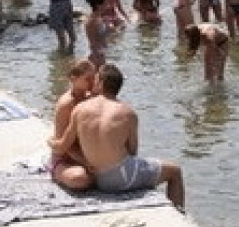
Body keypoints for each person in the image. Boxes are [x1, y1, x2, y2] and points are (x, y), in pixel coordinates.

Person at [52, 63, 185, 210]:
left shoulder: (79, 109)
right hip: (121, 178)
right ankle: (180, 213)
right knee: (175, 171)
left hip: (95, 177)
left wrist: (50, 141)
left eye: (95, 78)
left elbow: (62, 145)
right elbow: (133, 152)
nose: (92, 83)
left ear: (101, 83)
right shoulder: (128, 113)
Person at [48, 60, 97, 190]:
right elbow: (63, 145)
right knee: (80, 179)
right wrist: (86, 162)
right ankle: (57, 173)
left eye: (94, 78)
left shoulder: (92, 98)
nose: (92, 82)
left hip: (86, 156)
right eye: (87, 79)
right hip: (65, 159)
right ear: (73, 78)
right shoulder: (66, 104)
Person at [84, 0, 108, 67]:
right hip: (95, 55)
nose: (107, 5)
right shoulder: (92, 21)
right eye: (105, 4)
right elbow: (92, 41)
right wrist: (97, 57)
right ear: (98, 6)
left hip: (100, 52)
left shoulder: (98, 18)